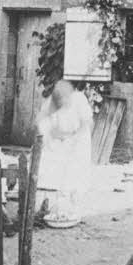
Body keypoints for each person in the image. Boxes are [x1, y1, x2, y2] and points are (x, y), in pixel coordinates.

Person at [35, 79, 94, 228]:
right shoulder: (50, 103)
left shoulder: (79, 100)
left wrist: (71, 138)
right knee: (50, 169)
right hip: (59, 141)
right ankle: (51, 205)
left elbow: (86, 123)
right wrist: (52, 136)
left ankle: (73, 208)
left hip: (78, 140)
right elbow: (42, 123)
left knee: (74, 174)